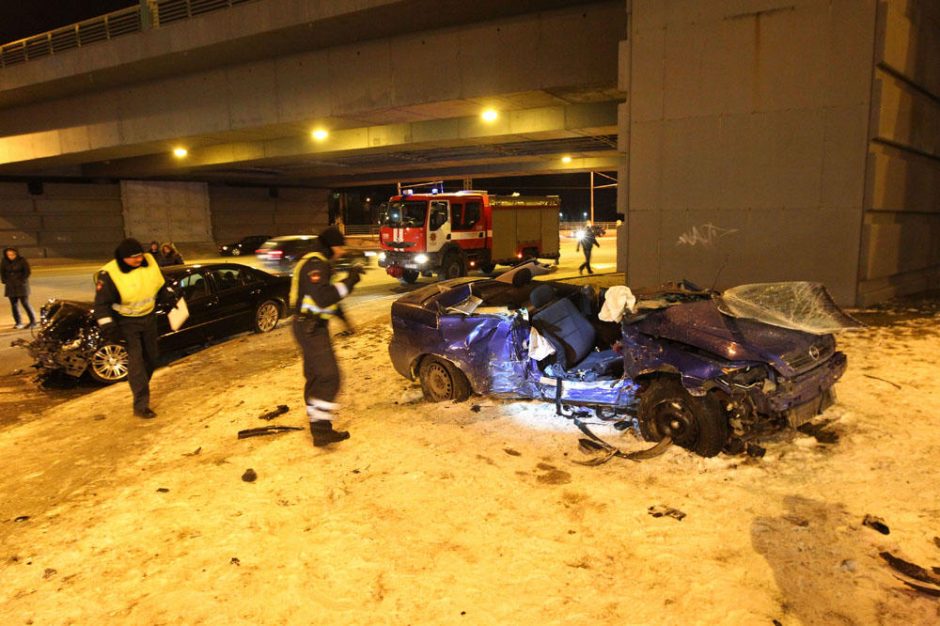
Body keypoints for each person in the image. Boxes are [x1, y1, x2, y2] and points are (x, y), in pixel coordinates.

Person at [290, 226, 364, 446]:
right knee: (329, 377)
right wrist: (350, 280)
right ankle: (321, 429)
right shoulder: (315, 263)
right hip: (310, 329)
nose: (342, 251)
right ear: (332, 245)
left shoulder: (319, 263)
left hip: (309, 327)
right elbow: (323, 298)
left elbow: (328, 300)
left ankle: (318, 426)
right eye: (341, 246)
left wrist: (345, 320)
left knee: (315, 377)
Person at [93, 238, 173, 419]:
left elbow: (158, 283)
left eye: (140, 256)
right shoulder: (109, 274)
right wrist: (108, 326)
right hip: (126, 323)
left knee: (152, 358)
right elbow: (101, 305)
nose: (139, 260)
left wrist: (168, 295)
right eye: (134, 258)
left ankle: (141, 384)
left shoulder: (149, 261)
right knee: (136, 362)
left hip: (149, 318)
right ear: (123, 258)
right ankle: (141, 405)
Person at [1, 247, 37, 329]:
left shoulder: (22, 260)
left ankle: (33, 321)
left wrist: (22, 280)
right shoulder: (4, 261)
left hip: (21, 285)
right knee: (14, 305)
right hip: (10, 285)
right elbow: (2, 271)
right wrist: (5, 281)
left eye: (12, 254)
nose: (10, 256)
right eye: (8, 254)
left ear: (16, 253)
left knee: (25, 303)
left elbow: (27, 272)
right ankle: (18, 322)